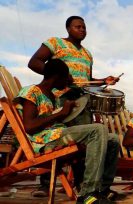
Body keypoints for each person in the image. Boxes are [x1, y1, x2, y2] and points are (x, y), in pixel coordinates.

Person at [27, 15, 120, 197]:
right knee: (54, 135)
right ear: (68, 28)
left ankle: (85, 187)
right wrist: (60, 76)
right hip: (58, 98)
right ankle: (46, 184)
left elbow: (86, 81)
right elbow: (34, 62)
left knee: (85, 142)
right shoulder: (55, 43)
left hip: (81, 100)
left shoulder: (87, 54)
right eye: (78, 26)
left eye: (84, 27)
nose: (82, 30)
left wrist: (103, 81)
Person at [15, 59, 120, 203]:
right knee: (98, 130)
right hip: (44, 140)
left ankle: (102, 190)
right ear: (57, 76)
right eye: (66, 77)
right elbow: (30, 126)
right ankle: (87, 194)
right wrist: (60, 113)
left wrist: (70, 112)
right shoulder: (32, 91)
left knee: (113, 139)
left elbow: (60, 120)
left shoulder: (53, 97)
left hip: (59, 134)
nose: (68, 81)